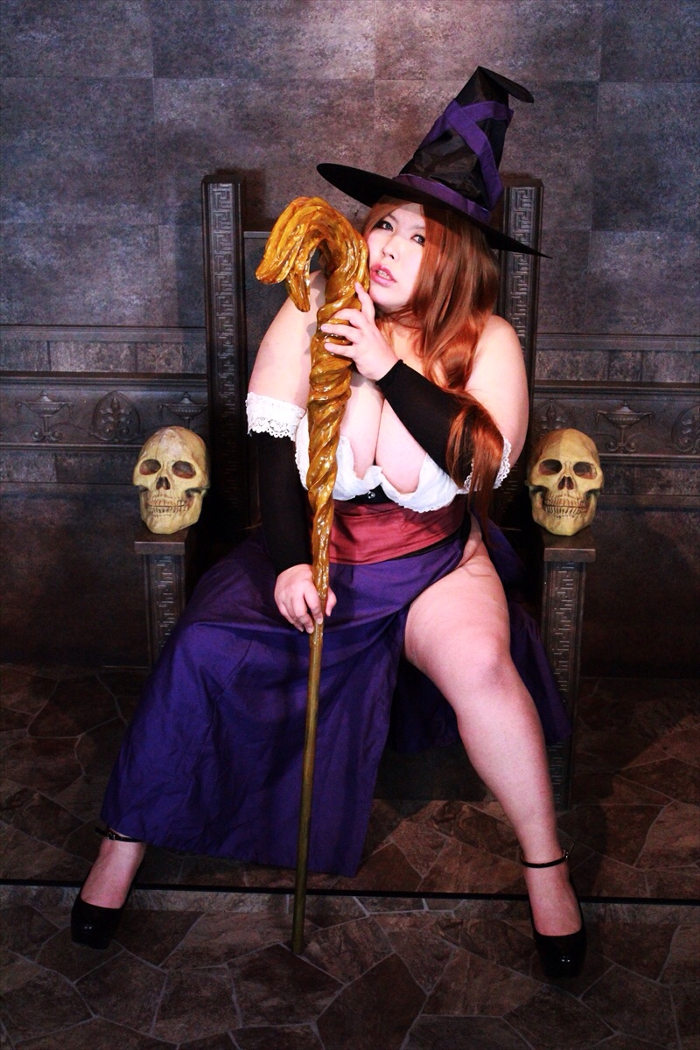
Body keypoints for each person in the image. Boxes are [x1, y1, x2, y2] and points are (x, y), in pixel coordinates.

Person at [71, 67, 585, 979]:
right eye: (383, 223)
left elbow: (479, 466)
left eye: (418, 236)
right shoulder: (312, 305)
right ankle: (120, 846)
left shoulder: (488, 340)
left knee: (481, 665)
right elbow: (272, 450)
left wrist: (385, 368)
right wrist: (285, 564)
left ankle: (547, 868)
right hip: (312, 544)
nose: (386, 246)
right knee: (202, 648)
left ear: (457, 257)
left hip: (432, 560)